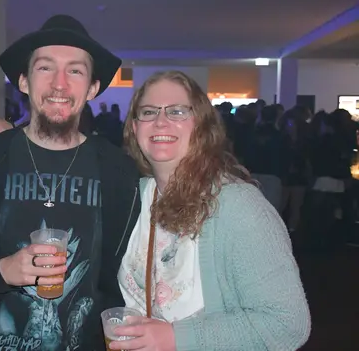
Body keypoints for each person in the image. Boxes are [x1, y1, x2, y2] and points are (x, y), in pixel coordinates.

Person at [0, 14, 142, 350]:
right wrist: (3, 270)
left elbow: (121, 282)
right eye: (45, 68)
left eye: (75, 71)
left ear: (92, 88)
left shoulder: (119, 174)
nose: (59, 84)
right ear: (23, 81)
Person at [110, 70, 310, 350]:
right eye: (148, 112)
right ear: (134, 127)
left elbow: (287, 324)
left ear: (201, 124)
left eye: (177, 111)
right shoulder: (134, 197)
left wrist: (175, 338)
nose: (160, 121)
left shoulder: (238, 207)